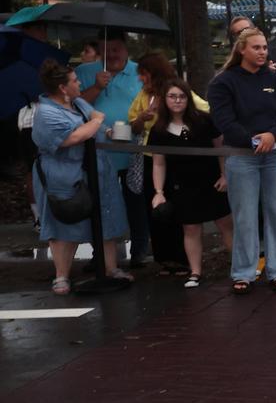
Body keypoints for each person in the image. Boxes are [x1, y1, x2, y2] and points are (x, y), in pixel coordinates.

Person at [209, 27, 276, 294]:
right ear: (242, 50)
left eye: (264, 48)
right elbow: (224, 121)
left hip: (275, 156)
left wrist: (273, 135)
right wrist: (256, 141)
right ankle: (243, 273)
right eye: (256, 47)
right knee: (245, 216)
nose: (262, 52)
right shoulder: (223, 82)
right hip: (242, 157)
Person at [32, 59, 131, 294]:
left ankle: (110, 268)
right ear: (62, 88)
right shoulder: (45, 113)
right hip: (64, 175)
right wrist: (97, 122)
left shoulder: (77, 103)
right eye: (75, 81)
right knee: (65, 221)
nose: (80, 83)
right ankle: (61, 276)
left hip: (97, 171)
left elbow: (96, 117)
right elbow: (73, 138)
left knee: (104, 217)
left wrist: (106, 129)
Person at [149, 79, 233, 288]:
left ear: (188, 98)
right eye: (172, 96)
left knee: (226, 224)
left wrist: (225, 175)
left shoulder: (204, 121)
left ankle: (241, 266)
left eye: (182, 96)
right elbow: (158, 163)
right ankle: (195, 272)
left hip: (212, 181)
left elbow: (221, 149)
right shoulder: (159, 129)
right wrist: (158, 191)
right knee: (191, 228)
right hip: (182, 185)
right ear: (164, 100)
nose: (177, 101)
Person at [76, 33, 147, 267]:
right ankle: (101, 254)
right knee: (100, 204)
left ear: (126, 49)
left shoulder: (140, 72)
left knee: (136, 201)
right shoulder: (85, 72)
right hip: (98, 152)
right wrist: (96, 87)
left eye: (116, 49)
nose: (112, 55)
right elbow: (74, 106)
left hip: (133, 152)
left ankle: (139, 250)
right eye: (106, 50)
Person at [128, 52, 201, 274]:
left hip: (177, 161)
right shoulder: (143, 95)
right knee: (157, 209)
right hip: (152, 160)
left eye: (143, 74)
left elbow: (201, 108)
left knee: (180, 208)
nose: (140, 78)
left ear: (153, 73)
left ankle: (183, 259)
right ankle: (164, 258)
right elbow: (133, 122)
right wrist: (143, 118)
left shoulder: (176, 91)